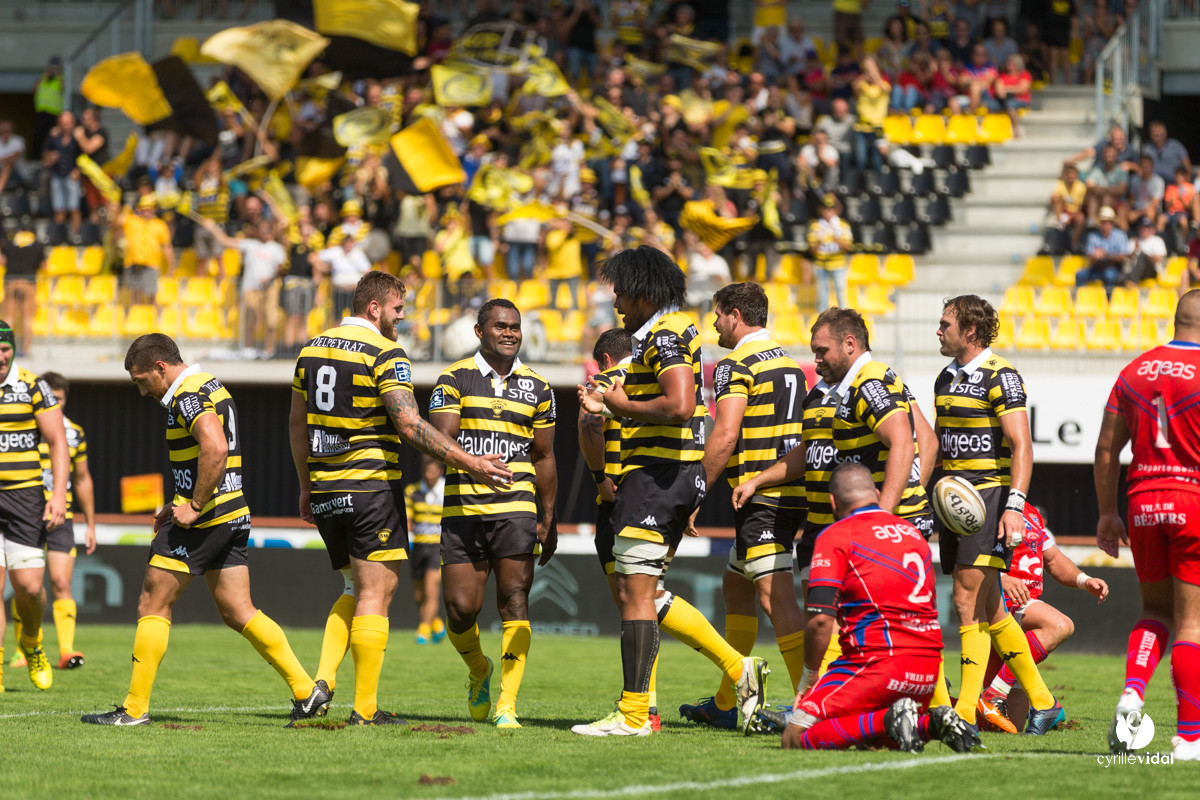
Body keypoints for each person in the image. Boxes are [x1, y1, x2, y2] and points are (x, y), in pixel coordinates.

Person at [291, 272, 511, 726]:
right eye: (397, 309)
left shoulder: (310, 348)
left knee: (353, 587)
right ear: (374, 308)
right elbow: (409, 425)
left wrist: (305, 484)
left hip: (326, 484)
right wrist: (471, 462)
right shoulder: (386, 352)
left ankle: (322, 682)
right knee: (379, 590)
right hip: (371, 484)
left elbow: (297, 423)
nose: (401, 318)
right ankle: (365, 709)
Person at [83, 334, 329, 725]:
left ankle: (133, 709)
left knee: (152, 603)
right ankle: (305, 689)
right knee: (239, 610)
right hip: (232, 512)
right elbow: (209, 454)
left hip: (207, 517)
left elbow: (215, 448)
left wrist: (194, 505)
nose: (141, 390)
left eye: (141, 380)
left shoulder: (186, 396)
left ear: (161, 368)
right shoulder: (210, 384)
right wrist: (178, 499)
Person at [574, 246, 768, 737]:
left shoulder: (664, 333)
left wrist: (616, 404)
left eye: (620, 289)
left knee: (636, 594)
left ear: (640, 288)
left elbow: (681, 405)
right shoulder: (658, 335)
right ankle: (735, 669)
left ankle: (636, 714)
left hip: (657, 476)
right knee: (641, 589)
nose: (616, 300)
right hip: (668, 475)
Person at [753, 462, 974, 753]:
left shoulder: (836, 535)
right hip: (928, 668)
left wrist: (809, 676)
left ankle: (889, 720)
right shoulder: (912, 534)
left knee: (794, 736)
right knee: (872, 741)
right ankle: (928, 725)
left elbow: (820, 620)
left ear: (833, 502)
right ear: (877, 493)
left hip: (878, 663)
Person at [933, 294, 1063, 738]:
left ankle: (965, 712)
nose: (938, 330)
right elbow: (940, 445)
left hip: (987, 501)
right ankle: (1044, 704)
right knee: (991, 608)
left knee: (966, 603)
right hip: (954, 503)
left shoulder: (1002, 375)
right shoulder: (944, 378)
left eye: (945, 324)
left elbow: (1021, 445)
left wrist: (1013, 506)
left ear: (970, 331)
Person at [679, 283, 808, 727]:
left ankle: (811, 704)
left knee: (776, 597)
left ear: (735, 315)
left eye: (716, 315)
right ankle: (726, 703)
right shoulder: (788, 362)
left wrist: (695, 493)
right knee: (736, 585)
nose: (713, 324)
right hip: (788, 488)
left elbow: (725, 434)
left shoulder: (735, 364)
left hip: (762, 495)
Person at [428, 298, 558, 729]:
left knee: (515, 600)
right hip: (464, 508)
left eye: (515, 327)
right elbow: (441, 441)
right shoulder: (454, 378)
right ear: (479, 331)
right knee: (460, 609)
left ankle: (507, 704)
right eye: (500, 326)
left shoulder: (539, 386)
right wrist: (476, 463)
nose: (510, 333)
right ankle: (479, 670)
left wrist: (547, 517)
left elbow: (544, 457)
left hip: (516, 507)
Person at [1095, 289, 1200, 761]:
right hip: (1192, 499)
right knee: (1193, 623)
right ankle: (1191, 738)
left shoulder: (1134, 371)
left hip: (1142, 502)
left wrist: (1105, 512)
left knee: (1155, 610)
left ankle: (1133, 694)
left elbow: (1105, 449)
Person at [578, 328, 667, 727]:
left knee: (638, 601)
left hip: (620, 502)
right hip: (662, 497)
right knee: (646, 597)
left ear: (607, 360)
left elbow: (587, 425)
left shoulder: (608, 380)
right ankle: (647, 706)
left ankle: (735, 667)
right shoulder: (657, 379)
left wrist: (599, 477)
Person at [977, 505, 1110, 733]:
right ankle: (989, 694)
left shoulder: (1031, 513)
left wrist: (1084, 580)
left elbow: (1054, 560)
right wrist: (1001, 578)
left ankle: (942, 705)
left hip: (1022, 605)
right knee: (1059, 625)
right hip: (998, 603)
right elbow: (964, 552)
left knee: (1010, 726)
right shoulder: (987, 500)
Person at [9, 372, 96, 673]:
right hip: (25, 512)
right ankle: (25, 649)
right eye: (50, 399)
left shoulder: (74, 434)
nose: (54, 404)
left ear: (66, 399)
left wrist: (92, 525)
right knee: (25, 586)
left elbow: (83, 479)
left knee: (60, 582)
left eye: (59, 399)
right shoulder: (22, 427)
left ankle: (66, 650)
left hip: (63, 516)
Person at [0, 321, 68, 692]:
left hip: (25, 497)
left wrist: (57, 496)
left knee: (28, 587)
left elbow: (58, 442)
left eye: (5, 348)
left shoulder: (33, 385)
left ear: (13, 348)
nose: (0, 355)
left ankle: (32, 640)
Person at [200, 218, 287, 357]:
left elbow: (281, 269)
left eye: (268, 229)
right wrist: (213, 229)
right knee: (250, 319)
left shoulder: (276, 248)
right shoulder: (249, 244)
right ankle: (248, 350)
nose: (265, 232)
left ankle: (269, 351)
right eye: (263, 229)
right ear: (257, 231)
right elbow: (226, 242)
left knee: (272, 321)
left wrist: (270, 277)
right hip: (251, 287)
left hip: (270, 288)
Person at [405, 458, 447, 646]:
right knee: (418, 596)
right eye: (426, 471)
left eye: (432, 471)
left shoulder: (447, 491)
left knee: (431, 591)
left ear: (439, 471)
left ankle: (423, 631)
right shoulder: (412, 491)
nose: (428, 474)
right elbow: (407, 520)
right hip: (419, 547)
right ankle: (437, 624)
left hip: (436, 549)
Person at [115, 194, 174, 305]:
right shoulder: (132, 221)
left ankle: (154, 319)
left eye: (149, 209)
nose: (146, 212)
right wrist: (125, 209)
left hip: (151, 264)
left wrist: (171, 265)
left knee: (152, 296)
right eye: (144, 209)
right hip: (132, 263)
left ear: (154, 210)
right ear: (139, 209)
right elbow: (118, 222)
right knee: (134, 295)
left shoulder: (160, 225)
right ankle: (136, 318)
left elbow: (167, 246)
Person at [0, 224, 43, 354]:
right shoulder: (37, 245)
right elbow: (44, 266)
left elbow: (2, 260)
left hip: (11, 281)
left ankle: (5, 350)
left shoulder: (10, 244)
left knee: (8, 317)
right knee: (27, 319)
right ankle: (26, 349)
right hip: (28, 283)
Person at [807, 195, 854, 310]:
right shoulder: (816, 226)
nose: (828, 211)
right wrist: (820, 241)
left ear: (835, 210)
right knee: (822, 297)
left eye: (831, 209)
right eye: (826, 209)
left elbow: (848, 247)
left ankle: (843, 319)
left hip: (838, 264)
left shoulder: (843, 225)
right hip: (820, 265)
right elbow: (811, 249)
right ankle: (822, 321)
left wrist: (835, 239)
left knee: (841, 295)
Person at [42, 110, 83, 238]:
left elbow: (85, 155)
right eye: (63, 123)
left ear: (73, 123)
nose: (66, 126)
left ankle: (76, 236)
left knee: (74, 207)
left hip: (72, 176)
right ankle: (58, 236)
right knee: (59, 208)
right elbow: (44, 155)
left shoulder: (78, 137)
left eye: (68, 123)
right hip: (57, 175)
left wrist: (78, 170)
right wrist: (51, 157)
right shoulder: (53, 137)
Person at [1077, 206, 1128, 295]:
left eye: (1109, 222)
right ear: (1100, 223)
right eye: (1104, 222)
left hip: (1114, 267)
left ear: (1112, 223)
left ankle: (1108, 303)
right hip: (1097, 267)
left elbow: (1123, 257)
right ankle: (1080, 300)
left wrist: (1106, 255)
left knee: (1108, 275)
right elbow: (1089, 257)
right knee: (1080, 275)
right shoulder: (1093, 236)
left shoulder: (1121, 236)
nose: (1106, 224)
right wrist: (1095, 256)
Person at [1050, 163, 1087, 252]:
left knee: (1081, 219)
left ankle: (1074, 244)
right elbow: (1054, 199)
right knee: (1056, 197)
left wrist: (1070, 217)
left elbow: (1080, 207)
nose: (1071, 176)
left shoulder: (1081, 187)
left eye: (1073, 174)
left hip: (1074, 213)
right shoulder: (1061, 184)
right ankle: (1061, 221)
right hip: (1063, 211)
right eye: (1069, 174)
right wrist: (1063, 216)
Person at [1142, 120, 1192, 186]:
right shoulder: (1146, 148)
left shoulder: (1176, 146)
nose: (1158, 138)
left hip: (1174, 185)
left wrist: (1187, 183)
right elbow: (1142, 166)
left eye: (1160, 135)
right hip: (1154, 185)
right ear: (1150, 135)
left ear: (1166, 134)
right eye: (1155, 136)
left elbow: (1187, 165)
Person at [1122, 217, 1167, 287]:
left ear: (1151, 229)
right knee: (1118, 278)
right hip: (1134, 270)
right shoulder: (1134, 241)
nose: (1144, 230)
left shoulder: (1157, 240)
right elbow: (1128, 258)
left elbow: (1158, 259)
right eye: (1142, 227)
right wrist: (1135, 250)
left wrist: (1144, 253)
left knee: (1142, 257)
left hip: (1151, 271)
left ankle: (1132, 281)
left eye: (1147, 227)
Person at [0, 120, 29, 194]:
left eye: (7, 129)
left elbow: (15, 156)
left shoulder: (18, 140)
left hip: (18, 174)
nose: (4, 131)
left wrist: (3, 159)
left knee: (8, 165)